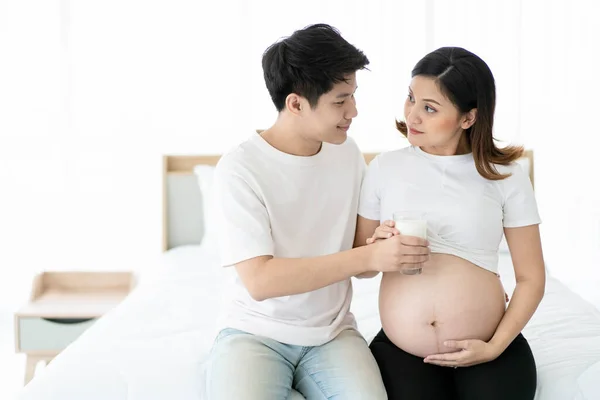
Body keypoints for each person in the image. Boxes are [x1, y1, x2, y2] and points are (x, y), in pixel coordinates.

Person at [206, 23, 429, 400]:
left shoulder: (346, 153)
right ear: (295, 103)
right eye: (340, 101)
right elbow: (261, 282)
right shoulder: (240, 168)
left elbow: (365, 264)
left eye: (353, 96)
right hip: (254, 333)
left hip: (331, 333)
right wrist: (367, 254)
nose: (353, 111)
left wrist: (381, 245)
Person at [355, 47, 546, 400]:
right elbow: (360, 267)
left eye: (429, 108)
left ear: (468, 118)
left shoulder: (505, 176)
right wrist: (377, 249)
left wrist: (495, 346)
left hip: (489, 345)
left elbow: (531, 278)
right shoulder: (384, 168)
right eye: (410, 98)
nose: (412, 114)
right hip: (403, 350)